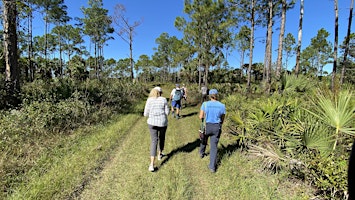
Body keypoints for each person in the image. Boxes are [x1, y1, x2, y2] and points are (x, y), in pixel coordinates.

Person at [198, 89, 226, 173]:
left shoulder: (205, 104)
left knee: (204, 139)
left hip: (207, 126)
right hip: (216, 127)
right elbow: (222, 118)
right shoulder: (222, 105)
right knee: (214, 147)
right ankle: (212, 167)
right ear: (217, 95)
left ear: (209, 96)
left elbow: (200, 116)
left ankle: (201, 153)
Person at [143, 86, 169, 172]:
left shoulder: (149, 100)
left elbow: (145, 113)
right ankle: (160, 154)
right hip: (162, 123)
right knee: (162, 138)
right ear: (160, 93)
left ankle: (151, 164)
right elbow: (167, 112)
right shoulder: (164, 100)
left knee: (154, 141)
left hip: (152, 123)